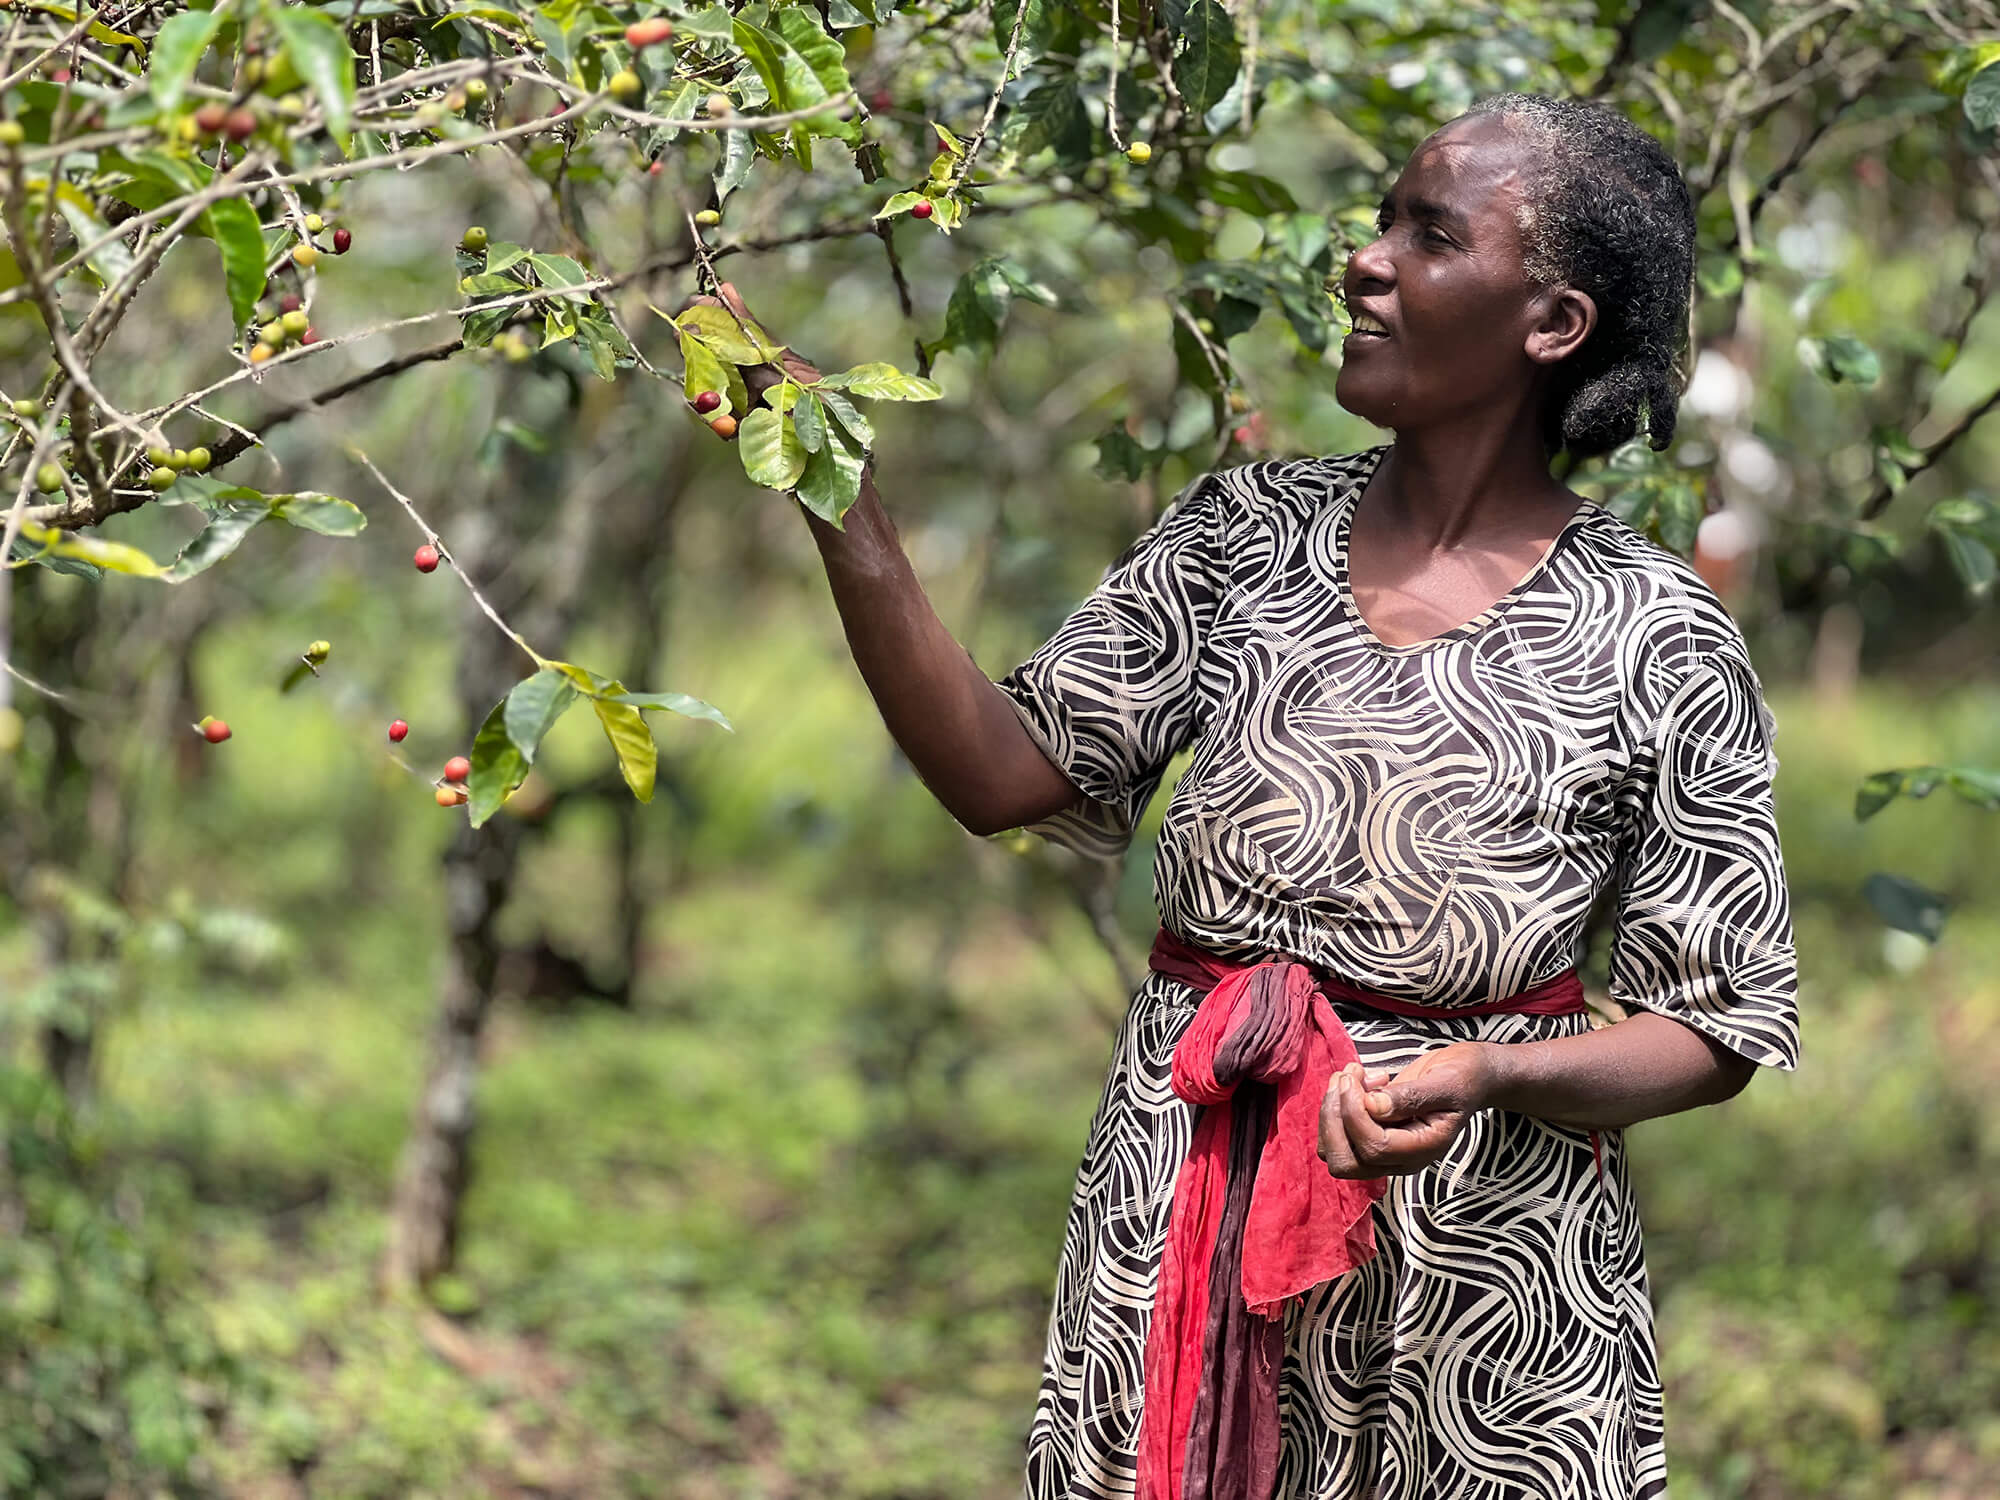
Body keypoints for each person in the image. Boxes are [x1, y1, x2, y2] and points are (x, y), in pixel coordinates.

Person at [682, 89, 1798, 1500]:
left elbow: (1720, 1025)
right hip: (1187, 1201)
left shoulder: (1656, 630)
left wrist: (1495, 1069)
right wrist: (842, 496)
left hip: (1485, 1279)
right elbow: (998, 773)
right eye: (1381, 219)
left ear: (1554, 324)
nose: (1366, 260)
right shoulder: (1245, 538)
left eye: (1430, 235)